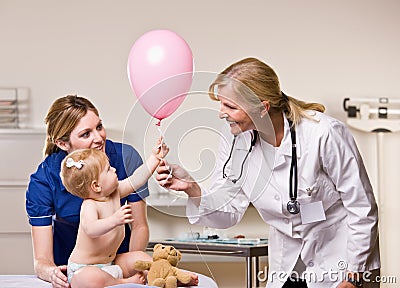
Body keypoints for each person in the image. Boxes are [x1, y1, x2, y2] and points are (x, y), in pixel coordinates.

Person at [156, 58, 380, 288]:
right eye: (221, 104)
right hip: (287, 264)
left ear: (262, 107)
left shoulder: (323, 133)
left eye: (230, 107)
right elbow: (229, 211)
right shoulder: (234, 138)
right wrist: (192, 189)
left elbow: (362, 208)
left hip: (342, 259)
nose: (221, 114)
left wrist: (354, 276)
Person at [26, 95, 151, 288]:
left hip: (117, 260)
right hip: (74, 270)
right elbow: (42, 260)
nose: (99, 138)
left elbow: (139, 226)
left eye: (99, 127)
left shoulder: (126, 158)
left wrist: (130, 271)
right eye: (86, 134)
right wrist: (52, 273)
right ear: (62, 143)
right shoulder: (43, 179)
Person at [59, 137, 168, 287]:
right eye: (108, 169)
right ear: (96, 186)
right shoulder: (89, 205)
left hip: (111, 263)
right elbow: (91, 229)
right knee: (86, 278)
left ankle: (168, 274)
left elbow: (136, 179)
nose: (114, 169)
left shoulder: (115, 192)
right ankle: (122, 282)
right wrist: (115, 220)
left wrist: (154, 159)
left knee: (139, 257)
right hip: (85, 269)